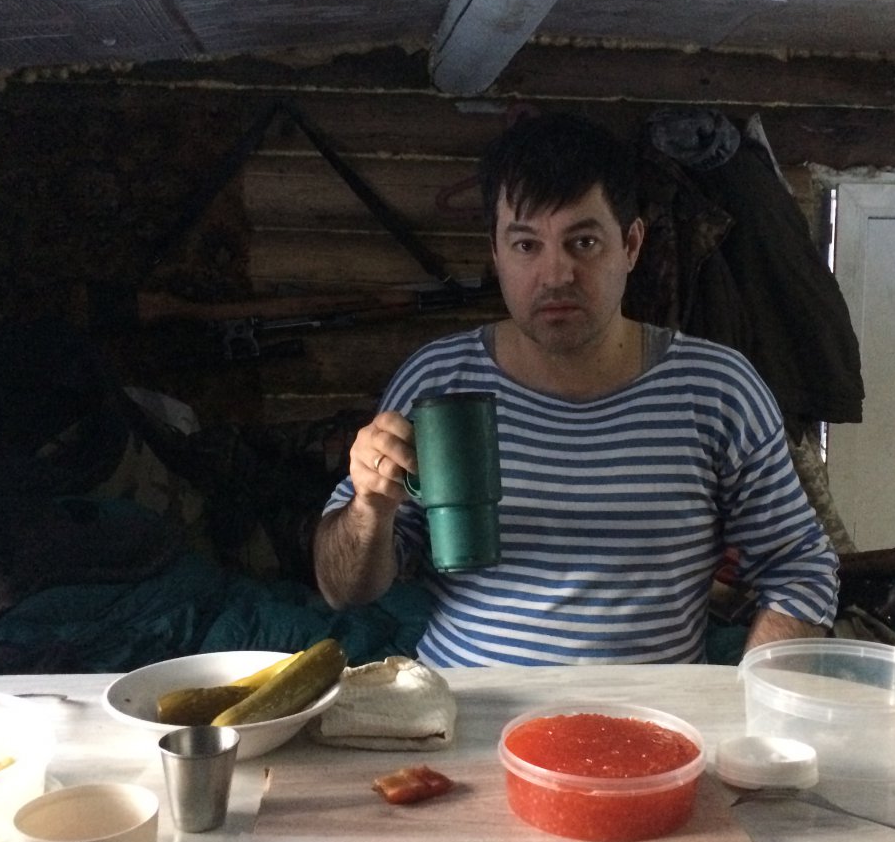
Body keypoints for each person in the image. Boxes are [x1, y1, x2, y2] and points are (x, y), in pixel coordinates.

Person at [313, 112, 838, 666]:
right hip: (466, 709)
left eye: (583, 242)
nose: (556, 274)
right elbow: (343, 590)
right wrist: (370, 508)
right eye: (526, 245)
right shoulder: (438, 381)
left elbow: (800, 566)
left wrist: (752, 697)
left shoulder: (717, 389)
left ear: (631, 244)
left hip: (648, 716)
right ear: (496, 253)